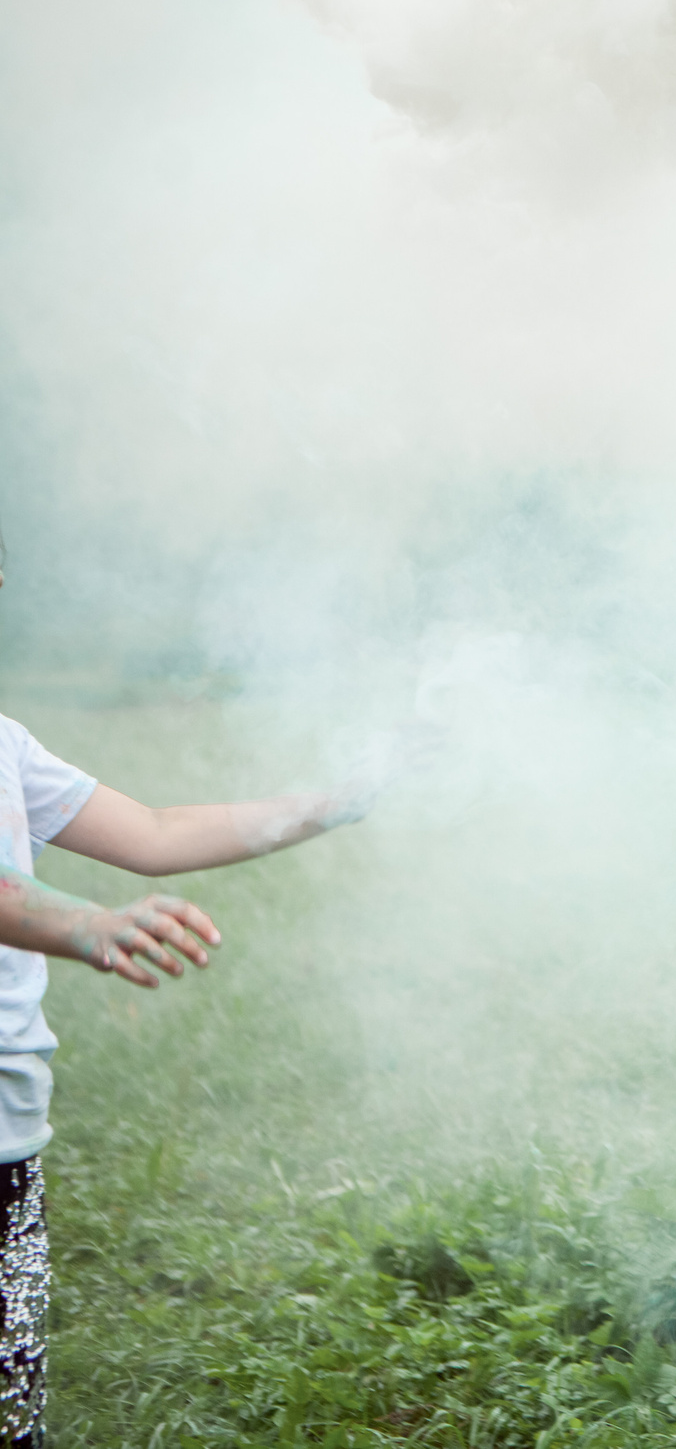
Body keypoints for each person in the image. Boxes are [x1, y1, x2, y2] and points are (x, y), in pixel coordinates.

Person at [0, 543, 375, 1448]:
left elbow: (157, 831)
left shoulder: (2, 741)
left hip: (11, 1126)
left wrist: (340, 800)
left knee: (11, 1407)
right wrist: (85, 923)